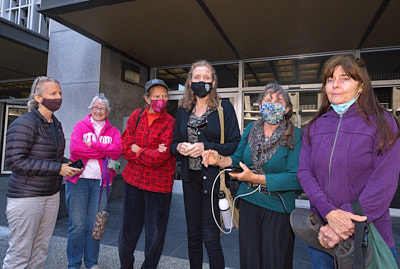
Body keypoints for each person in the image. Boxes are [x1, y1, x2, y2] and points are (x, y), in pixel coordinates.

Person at [297, 55, 400, 268]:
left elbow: (384, 182)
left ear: (361, 85)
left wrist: (342, 222)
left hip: (367, 235)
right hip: (322, 234)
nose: (335, 85)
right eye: (330, 79)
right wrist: (328, 213)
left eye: (344, 78)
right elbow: (304, 172)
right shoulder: (315, 126)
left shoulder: (382, 123)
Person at [202, 82, 302, 269]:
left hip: (278, 208)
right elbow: (237, 158)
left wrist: (255, 178)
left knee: (275, 262)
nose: (272, 104)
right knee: (250, 261)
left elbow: (296, 178)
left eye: (278, 101)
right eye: (268, 99)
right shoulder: (250, 130)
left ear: (287, 108)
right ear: (259, 105)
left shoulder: (295, 135)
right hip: (249, 204)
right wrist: (219, 158)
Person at [2, 76, 82, 269]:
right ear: (38, 98)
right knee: (19, 254)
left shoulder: (55, 123)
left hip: (50, 194)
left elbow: (51, 157)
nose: (58, 97)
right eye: (53, 93)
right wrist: (58, 168)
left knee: (40, 251)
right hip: (26, 197)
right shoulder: (24, 123)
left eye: (60, 93)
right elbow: (15, 161)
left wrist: (66, 164)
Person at [171, 60, 241, 269]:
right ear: (190, 81)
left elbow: (235, 144)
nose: (201, 81)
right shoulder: (183, 110)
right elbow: (173, 142)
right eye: (197, 77)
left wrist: (206, 146)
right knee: (192, 234)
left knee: (210, 235)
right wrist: (180, 148)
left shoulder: (224, 107)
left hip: (213, 180)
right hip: (189, 179)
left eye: (206, 78)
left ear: (213, 82)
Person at [118, 79, 176, 269]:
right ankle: (126, 265)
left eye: (165, 96)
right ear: (147, 98)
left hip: (158, 186)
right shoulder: (136, 115)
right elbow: (125, 147)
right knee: (128, 230)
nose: (161, 100)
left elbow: (162, 156)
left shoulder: (171, 122)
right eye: (156, 96)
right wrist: (148, 151)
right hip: (133, 181)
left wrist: (139, 150)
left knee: (155, 234)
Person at [65, 93, 122, 269]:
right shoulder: (81, 126)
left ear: (108, 112)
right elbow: (75, 148)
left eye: (103, 109)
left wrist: (94, 145)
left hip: (102, 184)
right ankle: (74, 264)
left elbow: (117, 151)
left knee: (95, 225)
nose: (99, 111)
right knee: (77, 225)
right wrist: (104, 151)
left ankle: (91, 262)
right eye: (96, 107)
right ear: (90, 109)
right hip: (78, 181)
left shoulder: (113, 131)